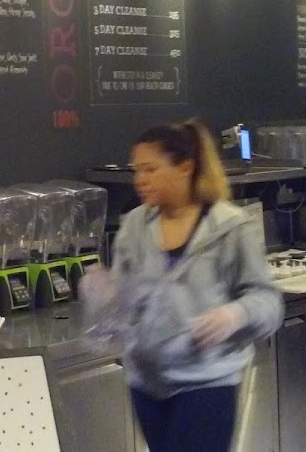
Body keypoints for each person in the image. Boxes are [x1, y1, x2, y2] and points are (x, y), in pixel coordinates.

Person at [89, 119, 283, 452]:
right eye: (136, 170)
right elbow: (125, 303)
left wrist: (234, 315)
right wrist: (105, 295)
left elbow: (268, 300)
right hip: (147, 383)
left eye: (150, 169)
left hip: (207, 381)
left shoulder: (230, 226)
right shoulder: (134, 225)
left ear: (185, 168)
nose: (140, 180)